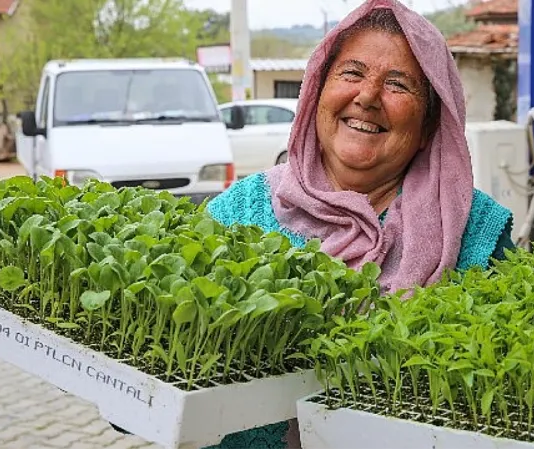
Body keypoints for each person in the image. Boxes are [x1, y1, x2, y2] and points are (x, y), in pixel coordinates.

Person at [203, 0, 514, 448]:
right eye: (351, 73)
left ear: (429, 124)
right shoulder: (240, 212)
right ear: (316, 93)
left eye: (397, 84)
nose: (367, 97)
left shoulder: (473, 230)